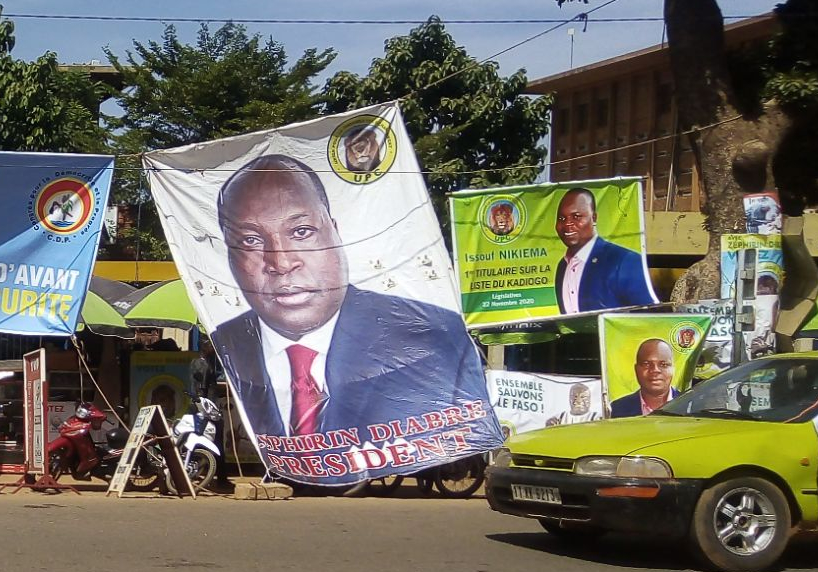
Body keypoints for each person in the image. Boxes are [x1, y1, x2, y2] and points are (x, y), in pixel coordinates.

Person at [207, 154, 490, 442]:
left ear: (335, 233)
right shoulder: (225, 345)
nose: (281, 263)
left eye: (301, 232)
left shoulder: (434, 337)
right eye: (251, 241)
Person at [553, 188, 656, 313]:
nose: (567, 224)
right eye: (561, 218)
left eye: (576, 217)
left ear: (594, 218)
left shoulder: (625, 260)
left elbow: (647, 315)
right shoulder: (562, 267)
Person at [609, 338, 677, 417]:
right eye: (646, 364)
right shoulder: (617, 409)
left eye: (663, 364)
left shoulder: (687, 405)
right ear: (636, 369)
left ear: (673, 369)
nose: (655, 370)